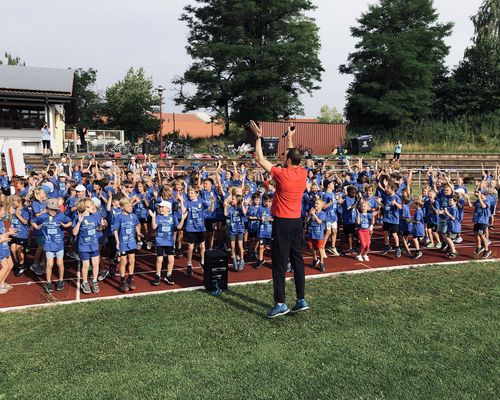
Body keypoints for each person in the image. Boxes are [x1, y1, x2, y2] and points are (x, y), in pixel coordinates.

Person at [250, 120, 309, 318]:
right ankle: (301, 299)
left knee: (279, 263)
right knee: (297, 260)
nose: (283, 158)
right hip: (296, 221)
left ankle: (280, 303)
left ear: (289, 161)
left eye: (286, 157)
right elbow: (294, 155)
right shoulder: (302, 173)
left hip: (282, 222)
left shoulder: (282, 173)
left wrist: (258, 137)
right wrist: (290, 137)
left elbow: (260, 158)